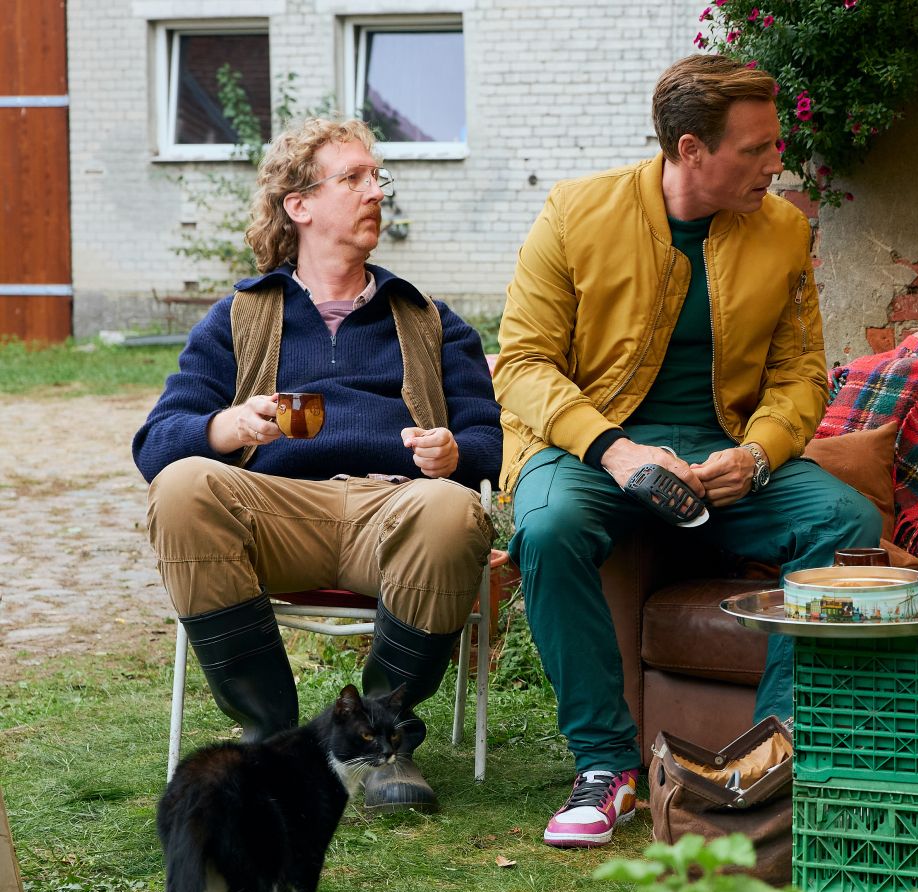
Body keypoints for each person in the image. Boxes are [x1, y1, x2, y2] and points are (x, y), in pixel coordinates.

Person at [495, 55, 879, 849]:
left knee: (846, 519)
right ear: (691, 149)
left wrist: (760, 455)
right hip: (590, 448)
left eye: (778, 143)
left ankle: (776, 759)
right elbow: (522, 363)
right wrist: (616, 452)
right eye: (756, 149)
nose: (778, 163)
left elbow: (802, 374)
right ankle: (606, 768)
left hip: (723, 458)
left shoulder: (783, 229)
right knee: (546, 526)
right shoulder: (575, 213)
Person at [134, 118, 502, 814]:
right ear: (298, 205)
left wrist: (454, 451)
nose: (376, 191)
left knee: (453, 506)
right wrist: (229, 425)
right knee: (183, 485)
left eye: (377, 177)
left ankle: (386, 738)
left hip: (395, 512)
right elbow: (156, 444)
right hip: (275, 510)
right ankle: (272, 735)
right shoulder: (239, 318)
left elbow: (488, 442)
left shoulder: (428, 318)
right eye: (354, 178)